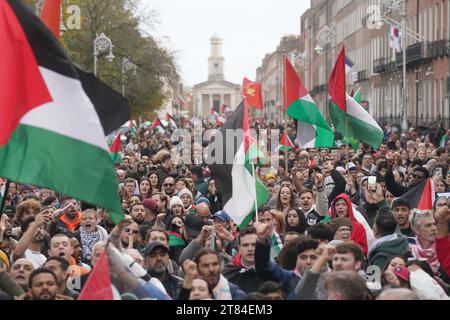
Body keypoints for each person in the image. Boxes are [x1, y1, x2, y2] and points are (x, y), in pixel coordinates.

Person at [294, 242, 365, 300]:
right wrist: (322, 259)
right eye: (335, 259)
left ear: (357, 264)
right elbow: (301, 295)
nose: (338, 263)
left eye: (344, 259)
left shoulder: (367, 286)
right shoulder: (329, 282)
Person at [222, 227, 265, 294]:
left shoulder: (272, 272)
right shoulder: (226, 273)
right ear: (239, 248)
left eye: (254, 245)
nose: (250, 249)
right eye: (245, 245)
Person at [410, 210, 440, 275]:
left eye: (434, 224)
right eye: (428, 225)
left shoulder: (445, 249)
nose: (434, 228)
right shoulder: (410, 253)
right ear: (417, 230)